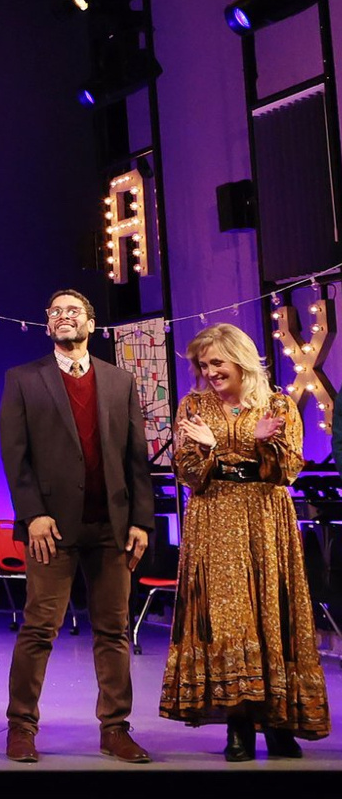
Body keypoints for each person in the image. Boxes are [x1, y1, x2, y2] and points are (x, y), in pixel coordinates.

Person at [160, 323, 330, 759]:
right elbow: (188, 471)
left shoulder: (278, 405)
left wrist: (262, 445)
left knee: (271, 618)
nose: (210, 371)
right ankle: (238, 726)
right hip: (215, 520)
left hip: (265, 521)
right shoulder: (194, 405)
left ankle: (277, 724)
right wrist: (213, 448)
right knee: (229, 620)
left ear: (240, 359)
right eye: (204, 364)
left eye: (217, 362)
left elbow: (287, 470)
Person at [0, 287, 153, 764]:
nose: (64, 317)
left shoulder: (119, 380)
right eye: (56, 312)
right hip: (52, 529)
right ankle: (21, 726)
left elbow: (135, 460)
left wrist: (141, 522)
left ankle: (115, 728)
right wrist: (33, 514)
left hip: (111, 527)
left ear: (90, 323)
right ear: (48, 325)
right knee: (40, 627)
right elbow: (15, 456)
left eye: (74, 311)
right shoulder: (24, 379)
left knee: (114, 629)